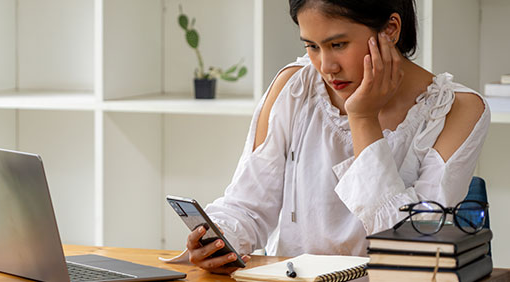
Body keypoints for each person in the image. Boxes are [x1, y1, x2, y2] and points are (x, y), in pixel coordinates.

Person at [185, 0, 490, 274]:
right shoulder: (294, 86)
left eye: (339, 44)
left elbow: (412, 246)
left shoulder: (458, 110)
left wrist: (362, 118)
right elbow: (247, 205)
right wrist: (220, 240)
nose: (326, 67)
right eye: (312, 46)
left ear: (391, 30)